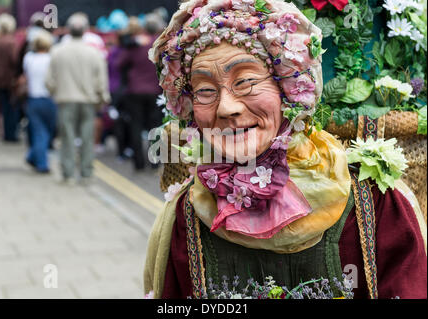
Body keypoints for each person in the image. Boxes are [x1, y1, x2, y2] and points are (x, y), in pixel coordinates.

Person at [144, 0, 426, 299]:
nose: (226, 108)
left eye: (246, 81)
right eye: (204, 90)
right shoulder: (184, 216)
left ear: (291, 91)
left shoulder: (377, 204)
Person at [46, 13, 110, 184]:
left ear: (68, 30)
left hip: (65, 99)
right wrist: (103, 97)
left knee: (66, 138)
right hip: (88, 101)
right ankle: (86, 173)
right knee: (87, 138)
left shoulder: (57, 51)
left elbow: (49, 80)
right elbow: (101, 79)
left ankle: (68, 174)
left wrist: (55, 92)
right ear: (85, 31)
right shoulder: (94, 53)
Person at [116, 14, 164, 169]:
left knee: (135, 125)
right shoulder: (160, 44)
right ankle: (155, 161)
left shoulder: (135, 43)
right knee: (155, 125)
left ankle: (138, 162)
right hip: (155, 90)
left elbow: (119, 63)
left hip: (135, 90)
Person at [23, 30, 56, 174]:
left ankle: (33, 155)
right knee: (46, 132)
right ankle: (42, 163)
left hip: (33, 99)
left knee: (39, 131)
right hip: (49, 98)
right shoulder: (51, 58)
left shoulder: (29, 58)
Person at [0, 13, 19, 142]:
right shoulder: (11, 42)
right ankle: (11, 134)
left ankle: (7, 134)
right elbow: (15, 61)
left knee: (4, 107)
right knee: (12, 107)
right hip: (10, 79)